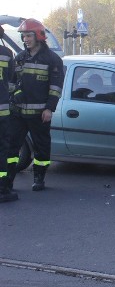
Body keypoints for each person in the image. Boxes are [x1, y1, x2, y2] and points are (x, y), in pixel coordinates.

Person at [5, 19, 64, 194]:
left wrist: (49, 109)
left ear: (38, 36)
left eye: (28, 35)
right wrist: (15, 94)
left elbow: (55, 87)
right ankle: (7, 180)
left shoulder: (52, 60)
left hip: (40, 113)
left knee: (42, 147)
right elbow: (11, 83)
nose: (25, 39)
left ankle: (39, 177)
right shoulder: (20, 58)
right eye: (23, 36)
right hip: (18, 112)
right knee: (11, 147)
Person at [0, 26, 16, 202]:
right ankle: (2, 188)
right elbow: (11, 80)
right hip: (2, 111)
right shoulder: (6, 53)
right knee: (2, 149)